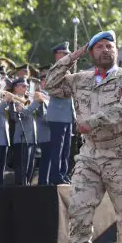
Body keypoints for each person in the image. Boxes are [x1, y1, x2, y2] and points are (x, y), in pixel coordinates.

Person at [49, 31, 122, 243]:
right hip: (90, 154)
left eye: (109, 46)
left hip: (121, 153)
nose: (105, 50)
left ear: (116, 51)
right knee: (79, 207)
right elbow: (51, 84)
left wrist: (91, 122)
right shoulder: (80, 79)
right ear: (91, 53)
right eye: (99, 47)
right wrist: (73, 56)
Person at [45, 42, 75, 186]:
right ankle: (55, 175)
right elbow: (51, 90)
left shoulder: (67, 71)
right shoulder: (55, 71)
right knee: (58, 147)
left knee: (66, 148)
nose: (67, 57)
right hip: (57, 116)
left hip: (67, 115)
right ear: (58, 55)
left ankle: (63, 173)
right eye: (65, 54)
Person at [9, 78, 40, 186]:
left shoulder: (28, 100)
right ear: (16, 87)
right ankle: (21, 190)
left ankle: (26, 188)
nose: (26, 88)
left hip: (31, 137)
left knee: (30, 168)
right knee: (22, 169)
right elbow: (19, 116)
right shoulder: (14, 100)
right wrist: (35, 103)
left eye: (26, 86)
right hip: (21, 138)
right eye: (23, 86)